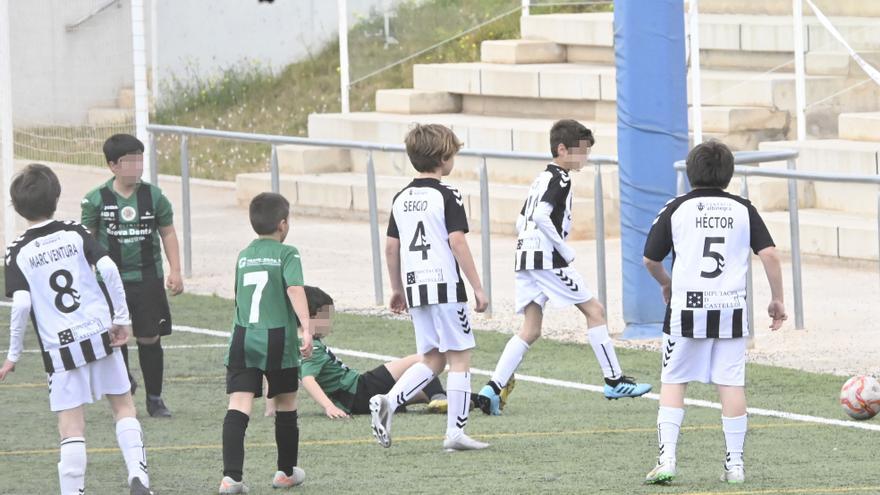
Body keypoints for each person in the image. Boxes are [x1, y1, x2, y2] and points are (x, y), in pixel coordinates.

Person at [476, 119, 651, 416]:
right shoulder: (560, 179)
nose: (586, 158)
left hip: (524, 257)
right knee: (595, 311)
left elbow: (522, 221)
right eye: (582, 152)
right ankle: (614, 380)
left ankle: (491, 388)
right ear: (562, 149)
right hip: (546, 259)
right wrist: (562, 247)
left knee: (530, 329)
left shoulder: (541, 178)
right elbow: (543, 216)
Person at [1, 164, 153, 495]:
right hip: (101, 333)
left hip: (61, 348)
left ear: (16, 206)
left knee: (71, 427)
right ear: (56, 197)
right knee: (123, 406)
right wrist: (121, 318)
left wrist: (13, 355)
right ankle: (138, 476)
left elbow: (23, 305)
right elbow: (109, 269)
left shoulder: (17, 251)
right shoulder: (74, 230)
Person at [642, 140, 786, 485]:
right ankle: (735, 466)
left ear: (690, 173)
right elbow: (770, 255)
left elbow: (650, 258)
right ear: (729, 174)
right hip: (731, 310)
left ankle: (667, 460)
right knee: (731, 384)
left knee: (674, 381)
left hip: (686, 309)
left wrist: (667, 283)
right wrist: (777, 299)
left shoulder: (676, 207)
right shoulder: (743, 208)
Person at [370, 123, 489, 452]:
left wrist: (396, 288)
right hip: (446, 289)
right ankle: (455, 432)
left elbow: (391, 247)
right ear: (443, 159)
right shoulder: (448, 194)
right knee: (460, 357)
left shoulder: (401, 197)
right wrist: (477, 287)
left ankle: (389, 401)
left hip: (416, 289)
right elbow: (457, 241)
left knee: (433, 359)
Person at [81, 134, 183, 418]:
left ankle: (155, 399)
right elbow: (87, 240)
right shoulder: (95, 199)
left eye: (140, 159)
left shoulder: (154, 196)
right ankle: (125, 383)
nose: (137, 166)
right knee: (117, 337)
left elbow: (168, 232)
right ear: (113, 165)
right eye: (130, 161)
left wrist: (175, 270)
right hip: (110, 282)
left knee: (150, 337)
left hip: (148, 279)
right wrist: (86, 278)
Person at [219, 192, 312, 493]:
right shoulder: (288, 253)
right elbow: (295, 289)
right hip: (276, 338)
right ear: (283, 224)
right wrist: (307, 329)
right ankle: (285, 473)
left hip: (243, 336)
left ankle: (231, 477)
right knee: (286, 403)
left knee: (239, 404)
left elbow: (238, 297)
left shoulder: (244, 255)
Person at [298, 286, 449, 418]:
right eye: (327, 317)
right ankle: (440, 397)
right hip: (360, 389)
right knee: (421, 360)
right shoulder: (312, 348)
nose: (330, 323)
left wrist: (275, 407)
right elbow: (307, 379)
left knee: (419, 393)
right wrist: (328, 406)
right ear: (312, 316)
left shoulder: (295, 345)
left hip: (355, 402)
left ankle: (467, 399)